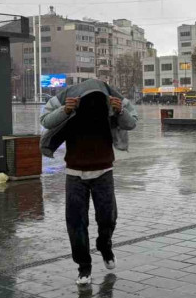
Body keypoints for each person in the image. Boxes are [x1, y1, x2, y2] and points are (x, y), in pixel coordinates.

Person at [40, 79, 138, 285]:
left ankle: (105, 245)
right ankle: (84, 267)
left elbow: (131, 123)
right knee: (76, 222)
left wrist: (120, 111)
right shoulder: (67, 99)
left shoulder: (112, 98)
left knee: (108, 218)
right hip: (75, 172)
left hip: (104, 170)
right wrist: (65, 111)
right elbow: (46, 120)